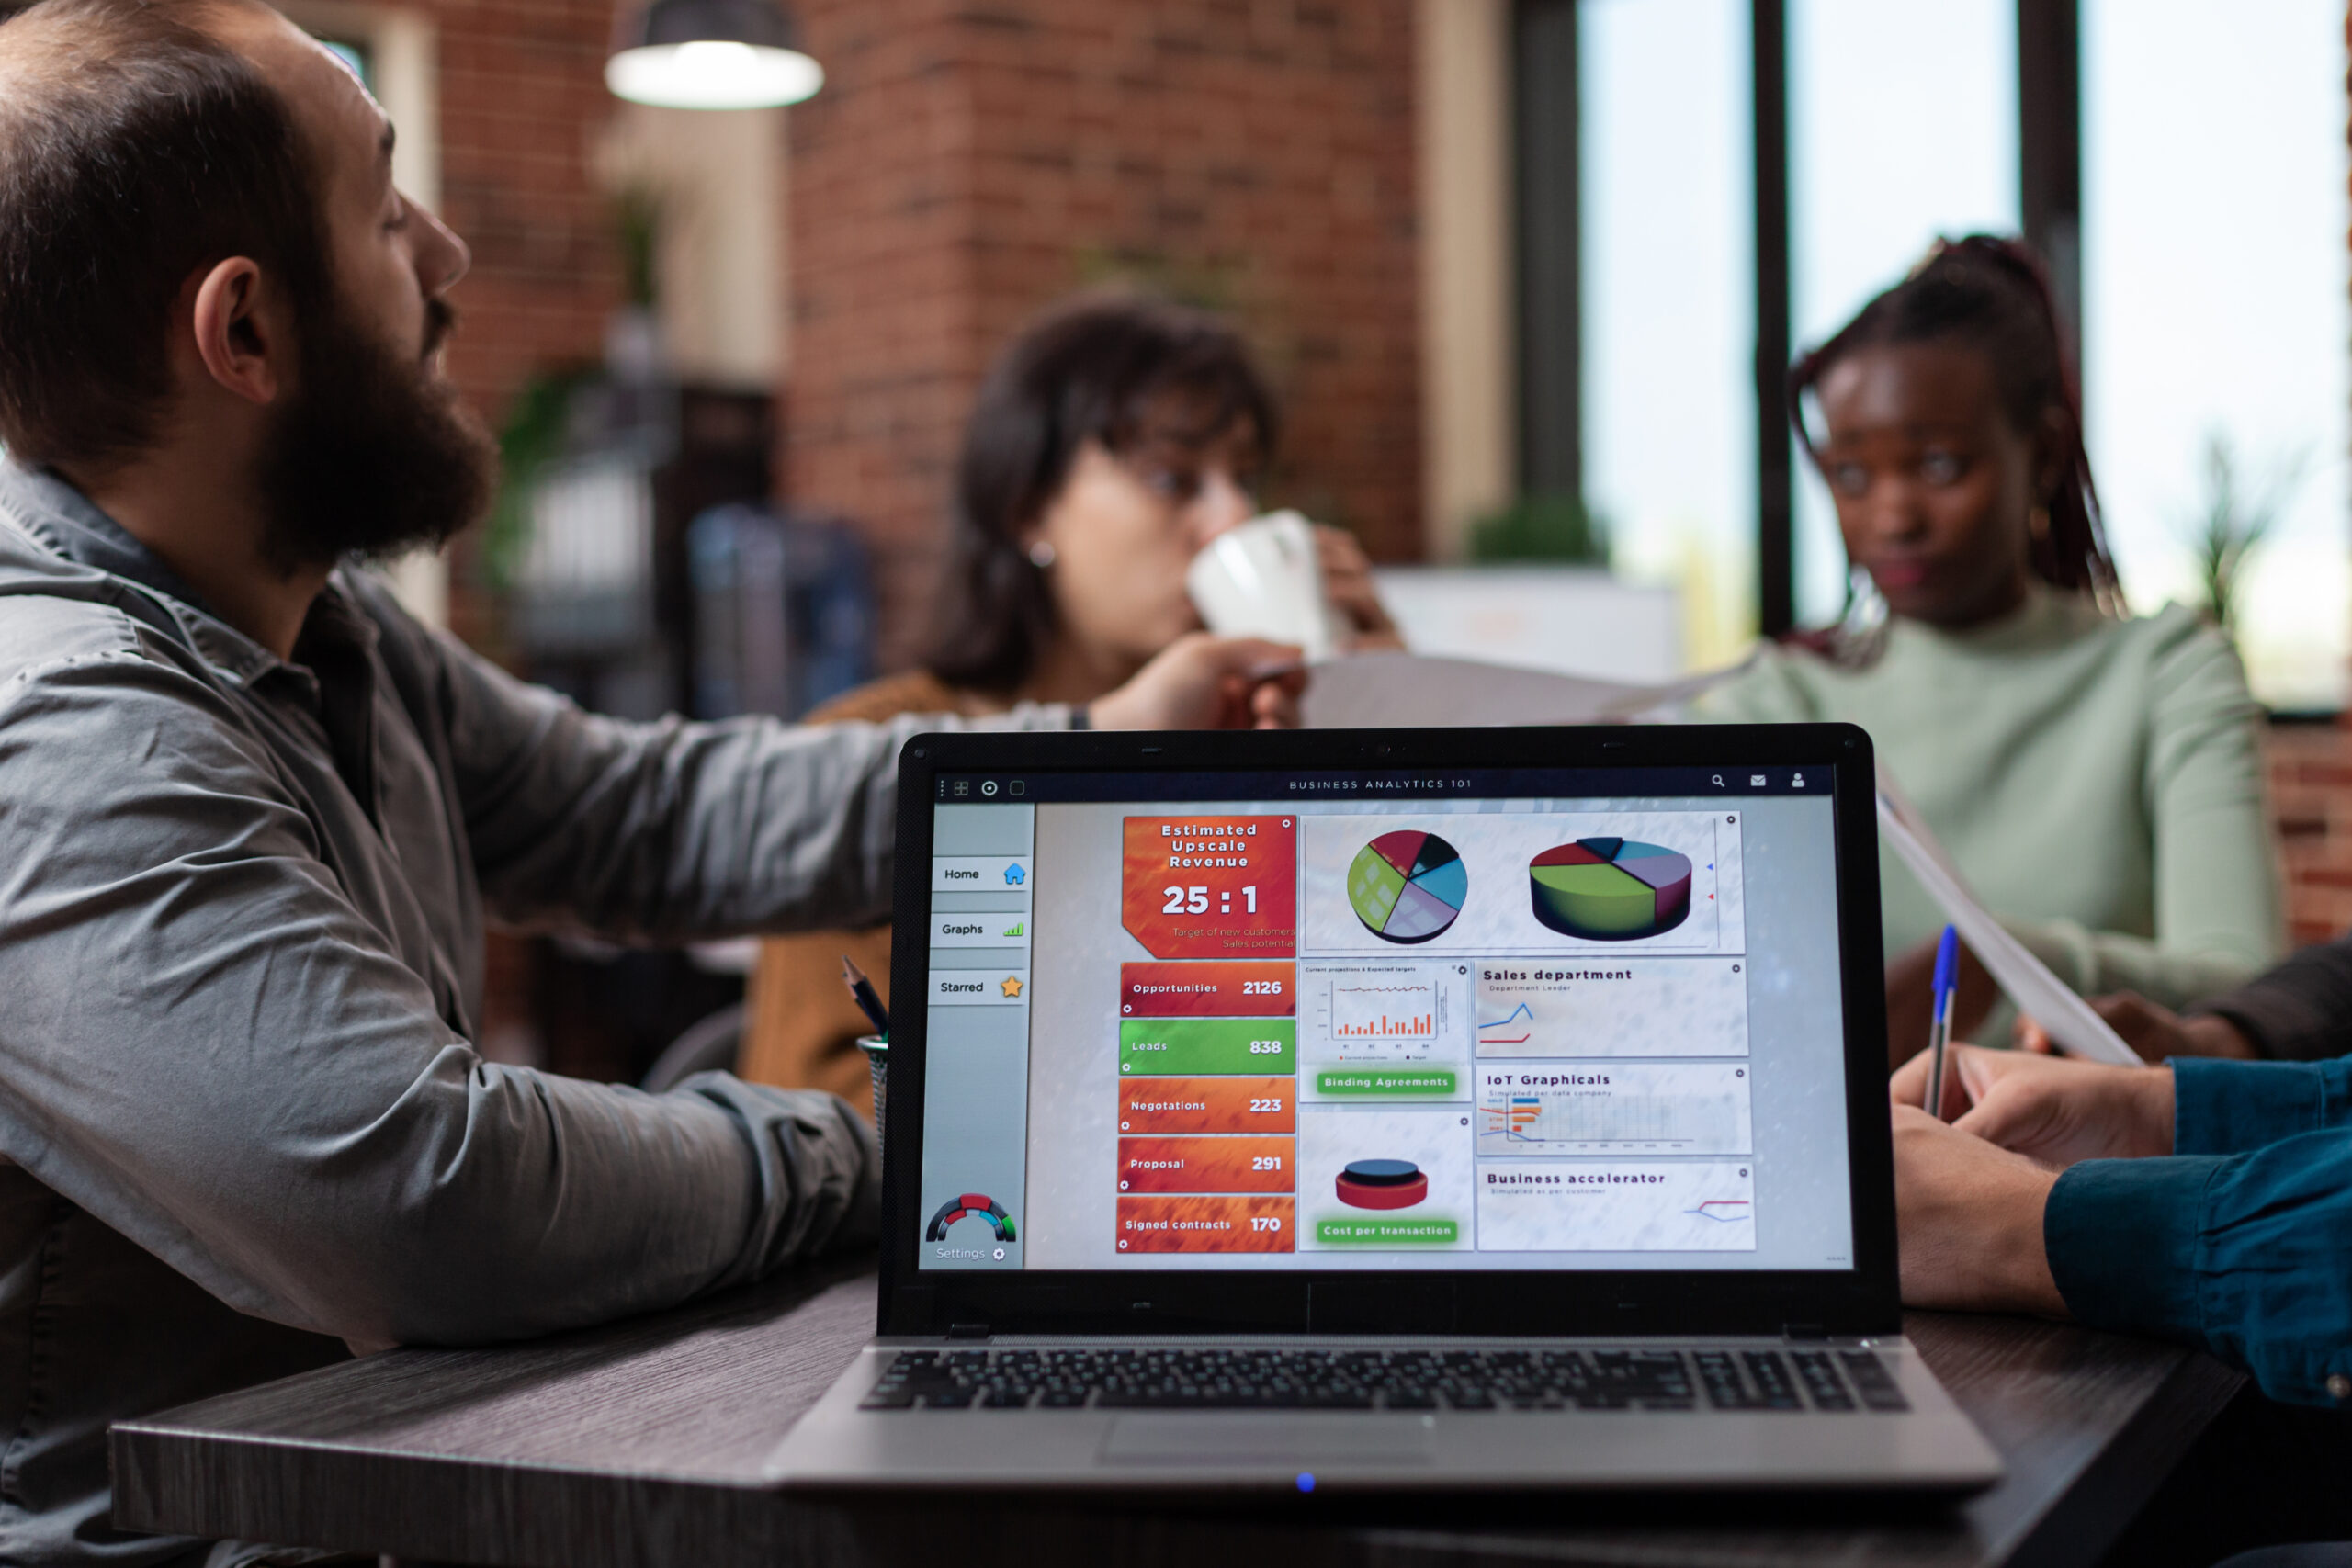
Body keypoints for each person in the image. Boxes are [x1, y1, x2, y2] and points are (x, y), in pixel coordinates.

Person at [0, 4, 1306, 1563]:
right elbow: (434, 1192)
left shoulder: (321, 631)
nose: (448, 253)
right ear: (246, 335)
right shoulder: (66, 738)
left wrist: (1107, 753)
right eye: (384, 205)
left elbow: (646, 813)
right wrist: (870, 1156)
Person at [739, 293, 1399, 1104]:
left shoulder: (1256, 744)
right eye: (1173, 478)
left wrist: (1382, 726)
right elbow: (829, 1113)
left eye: (1245, 479)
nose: (1233, 520)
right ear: (1027, 507)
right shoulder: (875, 757)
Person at [1701, 235, 2282, 1062]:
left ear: (2041, 455)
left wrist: (2005, 960)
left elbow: (2249, 989)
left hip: (2088, 1178)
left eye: (1937, 463)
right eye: (1850, 474)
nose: (1892, 515)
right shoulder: (1774, 701)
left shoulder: (2164, 673)